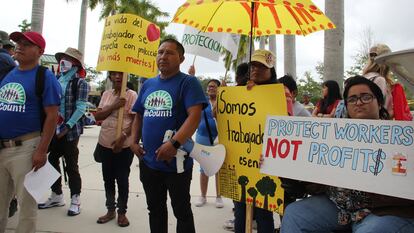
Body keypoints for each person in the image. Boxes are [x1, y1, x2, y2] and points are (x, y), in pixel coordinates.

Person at [280, 75, 414, 233]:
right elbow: (316, 183)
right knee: (295, 214)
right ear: (347, 106)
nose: (358, 102)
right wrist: (283, 166)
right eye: (352, 99)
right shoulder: (333, 137)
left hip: (384, 211)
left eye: (365, 97)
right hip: (338, 206)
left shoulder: (403, 139)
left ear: (379, 102)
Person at [130, 38, 207, 233]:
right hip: (148, 162)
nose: (163, 56)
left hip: (177, 165)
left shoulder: (188, 82)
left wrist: (174, 143)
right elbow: (139, 114)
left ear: (181, 58)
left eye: (169, 53)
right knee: (155, 210)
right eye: (160, 52)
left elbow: (195, 116)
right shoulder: (148, 84)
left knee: (181, 212)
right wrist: (132, 141)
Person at [0, 31, 61, 233]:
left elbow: (52, 116)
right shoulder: (9, 75)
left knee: (26, 209)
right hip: (2, 147)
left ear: (40, 51)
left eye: (27, 44)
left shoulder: (45, 76)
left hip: (26, 149)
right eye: (18, 42)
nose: (20, 46)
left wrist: (41, 151)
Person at [234, 49, 293, 233]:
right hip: (242, 160)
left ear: (271, 70)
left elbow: (288, 123)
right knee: (240, 211)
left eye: (262, 66)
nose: (256, 70)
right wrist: (244, 92)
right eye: (253, 65)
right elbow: (220, 114)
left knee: (264, 211)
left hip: (267, 160)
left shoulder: (281, 92)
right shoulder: (239, 90)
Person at [38, 47, 88, 216]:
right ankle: (57, 194)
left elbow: (81, 108)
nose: (63, 61)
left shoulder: (80, 83)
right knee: (50, 160)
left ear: (75, 64)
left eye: (67, 59)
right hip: (53, 130)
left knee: (71, 164)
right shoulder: (56, 79)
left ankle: (76, 198)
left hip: (70, 132)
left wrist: (67, 127)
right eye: (62, 58)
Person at [94, 71, 137, 227]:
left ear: (127, 76)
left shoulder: (132, 95)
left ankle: (122, 212)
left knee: (122, 179)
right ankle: (110, 210)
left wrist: (124, 136)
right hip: (105, 143)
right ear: (110, 77)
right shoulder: (106, 94)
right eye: (114, 74)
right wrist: (115, 105)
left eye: (121, 74)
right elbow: (98, 116)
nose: (118, 77)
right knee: (108, 178)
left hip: (123, 146)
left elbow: (135, 121)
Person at [194, 79, 224, 208]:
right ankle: (203, 196)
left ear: (219, 89)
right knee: (204, 168)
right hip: (203, 137)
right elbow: (193, 90)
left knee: (218, 168)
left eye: (214, 86)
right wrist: (192, 75)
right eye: (209, 86)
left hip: (219, 137)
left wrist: (225, 94)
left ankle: (218, 196)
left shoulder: (223, 101)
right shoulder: (202, 101)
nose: (211, 88)